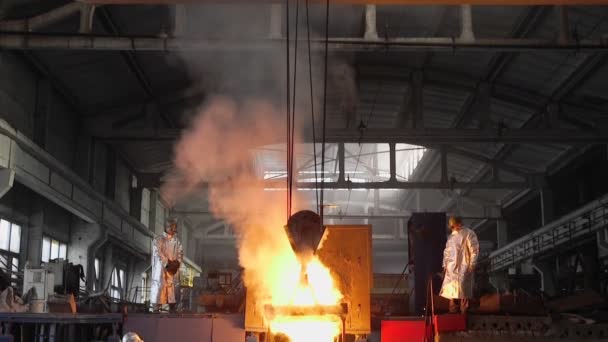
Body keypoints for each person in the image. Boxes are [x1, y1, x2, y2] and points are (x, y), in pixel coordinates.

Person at [439, 216, 479, 314]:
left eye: (454, 226)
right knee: (450, 289)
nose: (453, 228)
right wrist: (445, 265)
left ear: (459, 224)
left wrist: (472, 263)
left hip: (464, 266)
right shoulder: (451, 237)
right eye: (452, 227)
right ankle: (452, 309)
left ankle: (463, 311)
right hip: (451, 268)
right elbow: (447, 252)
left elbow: (474, 250)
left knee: (463, 290)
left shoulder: (469, 234)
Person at [150, 217, 184, 313]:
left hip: (173, 271)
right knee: (159, 286)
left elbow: (180, 253)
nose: (172, 229)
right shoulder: (158, 239)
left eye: (173, 227)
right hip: (161, 270)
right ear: (166, 227)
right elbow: (158, 252)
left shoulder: (177, 241)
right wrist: (167, 263)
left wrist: (177, 263)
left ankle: (173, 308)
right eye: (170, 227)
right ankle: (156, 308)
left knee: (174, 288)